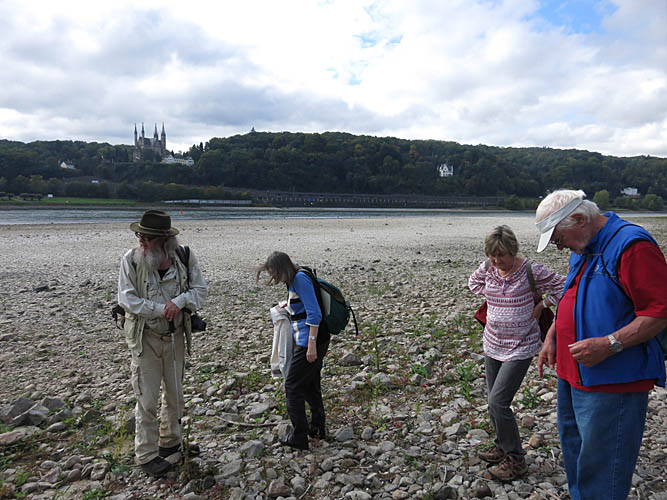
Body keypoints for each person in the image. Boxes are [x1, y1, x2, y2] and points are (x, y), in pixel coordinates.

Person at [535, 190, 667, 500]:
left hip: (613, 379)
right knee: (577, 455)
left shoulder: (632, 246)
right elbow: (571, 296)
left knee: (604, 466)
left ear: (580, 219)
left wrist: (609, 344)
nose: (559, 246)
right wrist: (553, 334)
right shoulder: (583, 246)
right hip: (573, 374)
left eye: (558, 238)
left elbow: (659, 312)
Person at [469, 225, 565, 481]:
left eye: (501, 255)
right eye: (492, 255)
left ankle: (516, 459)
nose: (496, 260)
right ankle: (501, 445)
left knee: (498, 402)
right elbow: (473, 283)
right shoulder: (488, 268)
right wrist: (495, 298)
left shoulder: (531, 270)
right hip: (492, 343)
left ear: (513, 251)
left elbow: (564, 286)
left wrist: (543, 304)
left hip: (521, 346)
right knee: (493, 400)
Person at [118, 210, 207, 478]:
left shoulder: (184, 256)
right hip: (145, 338)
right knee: (147, 399)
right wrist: (160, 309)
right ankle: (146, 455)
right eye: (139, 235)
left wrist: (179, 302)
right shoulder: (130, 260)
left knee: (175, 394)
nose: (141, 240)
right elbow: (126, 299)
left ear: (164, 240)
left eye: (147, 237)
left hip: (176, 336)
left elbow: (200, 291)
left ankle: (170, 443)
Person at [257, 251, 330, 450]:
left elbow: (314, 314)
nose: (273, 277)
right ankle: (317, 428)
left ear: (282, 268)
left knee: (292, 386)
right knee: (310, 384)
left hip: (311, 342)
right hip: (312, 340)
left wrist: (311, 346)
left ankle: (299, 436)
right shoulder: (294, 280)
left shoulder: (300, 280)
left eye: (274, 273)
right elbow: (302, 307)